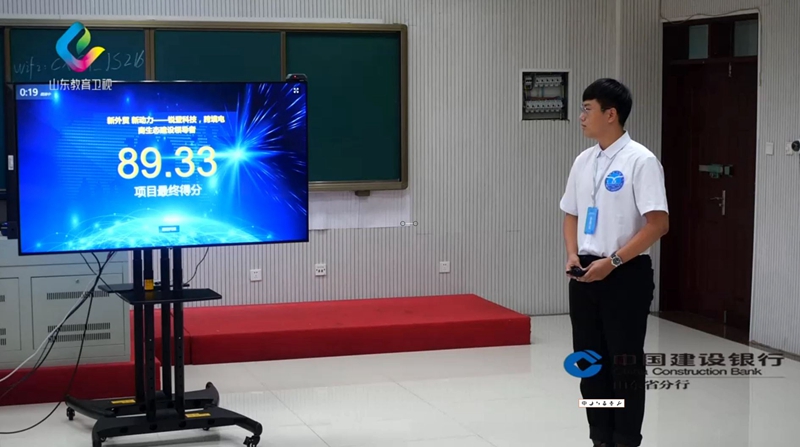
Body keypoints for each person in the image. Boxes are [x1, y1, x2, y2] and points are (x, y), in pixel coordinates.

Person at [559, 79, 669, 447]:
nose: (581, 117)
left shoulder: (641, 160)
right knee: (589, 362)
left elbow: (658, 224)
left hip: (625, 273)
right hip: (585, 273)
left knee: (624, 364)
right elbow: (571, 213)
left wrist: (614, 261)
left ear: (611, 114)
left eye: (587, 109)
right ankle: (600, 436)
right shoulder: (583, 161)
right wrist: (572, 254)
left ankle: (625, 439)